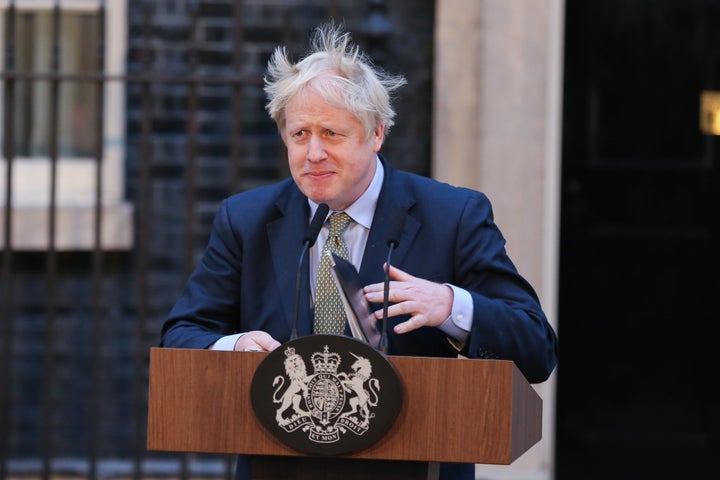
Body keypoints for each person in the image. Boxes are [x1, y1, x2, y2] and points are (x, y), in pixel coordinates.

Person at [161, 23, 558, 480]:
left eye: (331, 134)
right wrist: (233, 346)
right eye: (300, 134)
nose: (313, 153)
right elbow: (181, 334)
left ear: (376, 134)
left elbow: (536, 349)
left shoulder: (453, 215)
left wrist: (452, 307)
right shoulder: (246, 219)